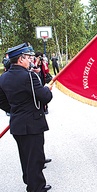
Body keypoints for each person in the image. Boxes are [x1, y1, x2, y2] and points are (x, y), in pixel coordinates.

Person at [0, 42, 53, 191]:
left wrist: (16, 110)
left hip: (17, 123)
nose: (31, 60)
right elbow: (45, 97)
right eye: (28, 57)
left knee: (25, 157)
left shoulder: (3, 78)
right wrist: (47, 89)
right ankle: (36, 187)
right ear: (21, 59)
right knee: (35, 158)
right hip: (32, 124)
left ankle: (30, 181)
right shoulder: (30, 76)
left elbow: (1, 101)